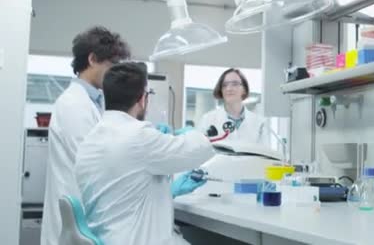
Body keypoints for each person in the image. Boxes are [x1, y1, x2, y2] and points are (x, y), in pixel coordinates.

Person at [75, 62, 215, 245]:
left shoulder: (91, 139)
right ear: (142, 99)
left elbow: (122, 191)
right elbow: (199, 149)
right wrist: (190, 132)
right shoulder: (138, 136)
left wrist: (169, 191)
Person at [41, 26, 130, 245]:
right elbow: (95, 163)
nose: (115, 73)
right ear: (92, 59)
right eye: (112, 64)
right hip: (76, 221)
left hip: (86, 218)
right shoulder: (74, 105)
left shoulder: (94, 102)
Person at [198, 68, 271, 145]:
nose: (229, 89)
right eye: (224, 85)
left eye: (235, 84)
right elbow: (199, 150)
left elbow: (264, 153)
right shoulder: (207, 120)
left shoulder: (259, 123)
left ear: (244, 89)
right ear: (221, 90)